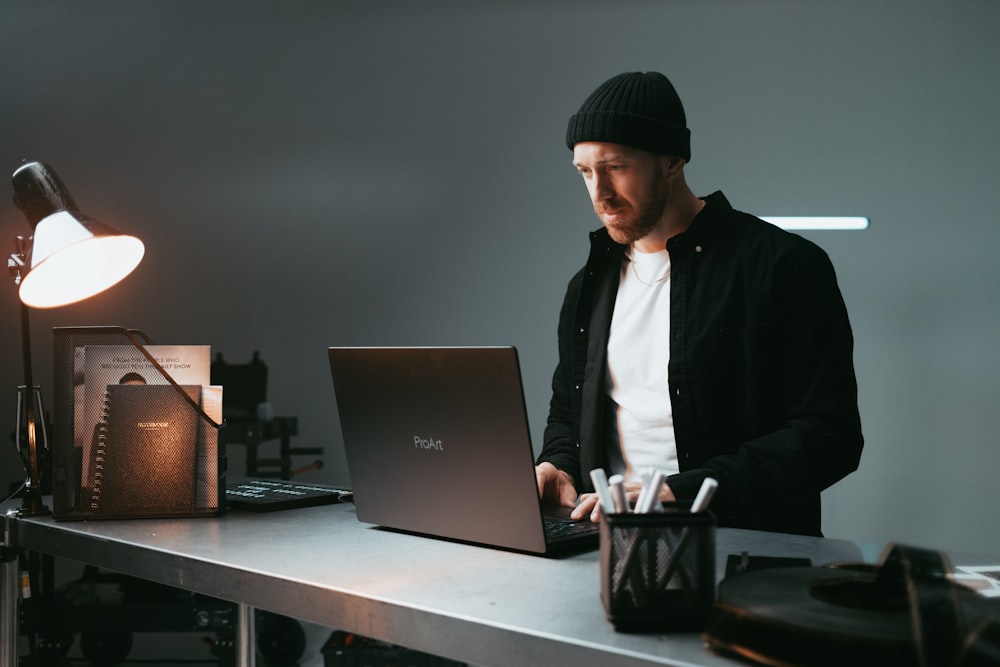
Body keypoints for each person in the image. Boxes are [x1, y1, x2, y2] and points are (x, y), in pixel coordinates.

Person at [534, 71, 863, 536]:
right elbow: (568, 412)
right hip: (605, 546)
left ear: (672, 161)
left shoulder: (784, 265)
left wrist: (675, 492)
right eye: (585, 171)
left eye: (616, 166)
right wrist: (558, 466)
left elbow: (829, 437)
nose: (599, 194)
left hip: (744, 552)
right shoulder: (588, 285)